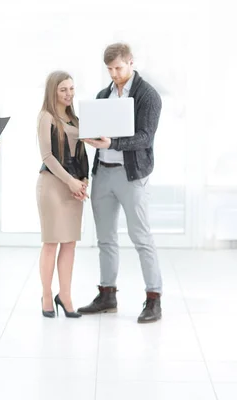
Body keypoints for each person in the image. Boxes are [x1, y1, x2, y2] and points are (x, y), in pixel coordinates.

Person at [79, 43, 163, 323]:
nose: (114, 74)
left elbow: (145, 138)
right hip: (102, 173)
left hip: (132, 176)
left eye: (118, 67)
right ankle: (107, 295)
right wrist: (91, 138)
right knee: (105, 239)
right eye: (110, 69)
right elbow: (96, 133)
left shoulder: (147, 95)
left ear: (130, 62)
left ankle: (153, 299)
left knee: (141, 237)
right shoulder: (103, 95)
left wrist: (112, 142)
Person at [36, 71, 88, 319]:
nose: (69, 94)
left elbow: (82, 154)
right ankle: (47, 295)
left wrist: (83, 182)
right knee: (51, 243)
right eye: (63, 90)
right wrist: (70, 182)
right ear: (53, 92)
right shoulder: (46, 117)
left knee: (70, 243)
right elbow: (47, 156)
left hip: (74, 186)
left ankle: (65, 296)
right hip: (53, 185)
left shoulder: (76, 119)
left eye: (71, 89)